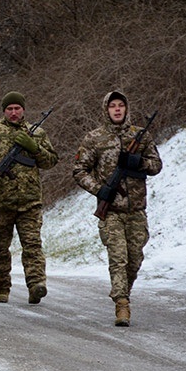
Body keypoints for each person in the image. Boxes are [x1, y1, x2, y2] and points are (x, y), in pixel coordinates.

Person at [73, 90, 162, 327]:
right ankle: (122, 304)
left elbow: (156, 165)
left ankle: (124, 292)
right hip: (111, 211)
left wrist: (138, 162)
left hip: (136, 210)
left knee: (134, 258)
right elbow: (79, 170)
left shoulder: (140, 136)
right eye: (112, 106)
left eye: (120, 105)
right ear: (106, 110)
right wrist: (100, 190)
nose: (117, 109)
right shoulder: (95, 138)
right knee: (118, 258)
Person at [0, 92, 59, 305]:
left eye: (17, 108)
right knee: (0, 247)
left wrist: (34, 148)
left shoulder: (37, 133)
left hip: (29, 201)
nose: (14, 112)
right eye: (10, 109)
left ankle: (36, 284)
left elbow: (50, 161)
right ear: (3, 110)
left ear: (23, 109)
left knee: (32, 244)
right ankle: (2, 287)